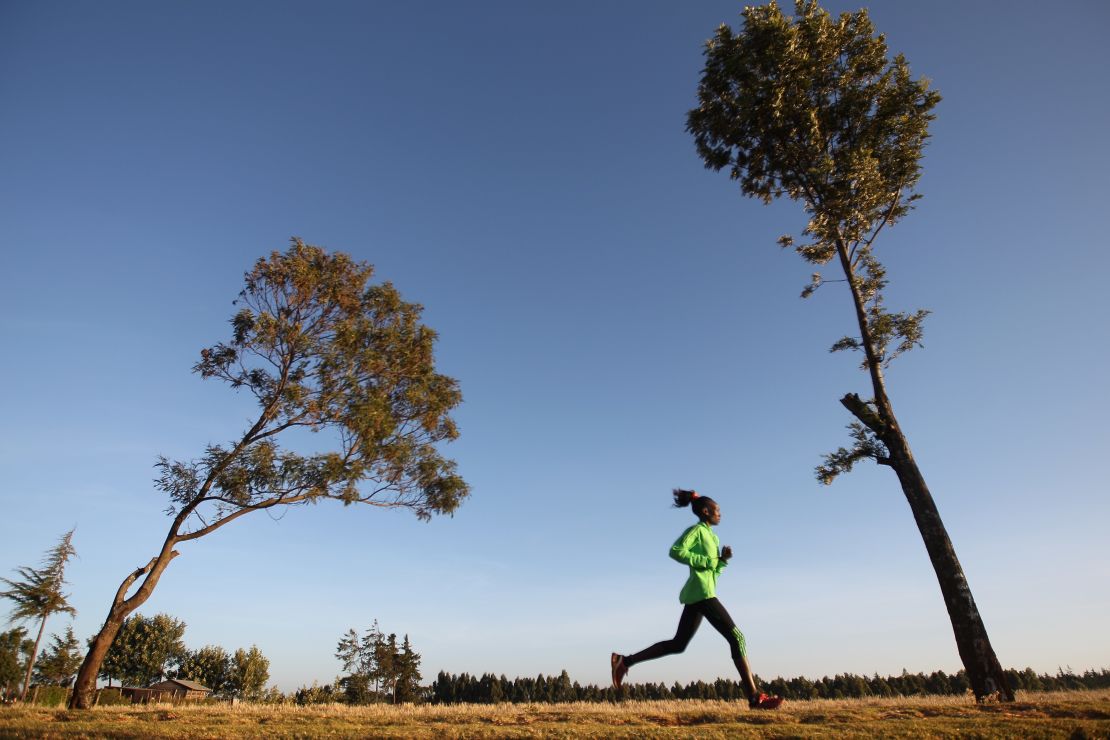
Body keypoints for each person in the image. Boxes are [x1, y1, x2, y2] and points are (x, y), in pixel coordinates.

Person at [610, 488, 784, 710]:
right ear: (705, 511)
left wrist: (722, 560)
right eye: (717, 510)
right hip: (703, 594)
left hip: (702, 593)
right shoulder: (696, 531)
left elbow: (713, 572)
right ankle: (754, 697)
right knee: (737, 638)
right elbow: (676, 551)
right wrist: (709, 561)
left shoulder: (713, 536)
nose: (720, 513)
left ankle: (624, 661)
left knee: (678, 644)